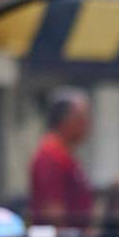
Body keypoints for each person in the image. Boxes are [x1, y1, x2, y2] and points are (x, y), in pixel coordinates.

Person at [29, 87, 93, 228]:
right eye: (81, 118)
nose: (87, 124)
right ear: (65, 119)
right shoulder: (51, 155)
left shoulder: (64, 152)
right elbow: (53, 211)